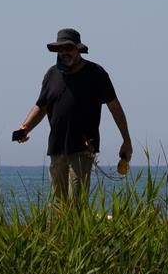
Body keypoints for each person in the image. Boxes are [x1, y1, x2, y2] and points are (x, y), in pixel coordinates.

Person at [11, 27, 132, 203]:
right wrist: (25, 127)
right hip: (57, 148)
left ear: (78, 49)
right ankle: (58, 232)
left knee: (76, 204)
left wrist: (126, 140)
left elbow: (114, 107)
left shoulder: (96, 73)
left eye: (68, 48)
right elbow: (41, 106)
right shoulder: (52, 74)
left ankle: (79, 231)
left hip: (83, 148)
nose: (64, 52)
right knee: (58, 205)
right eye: (60, 49)